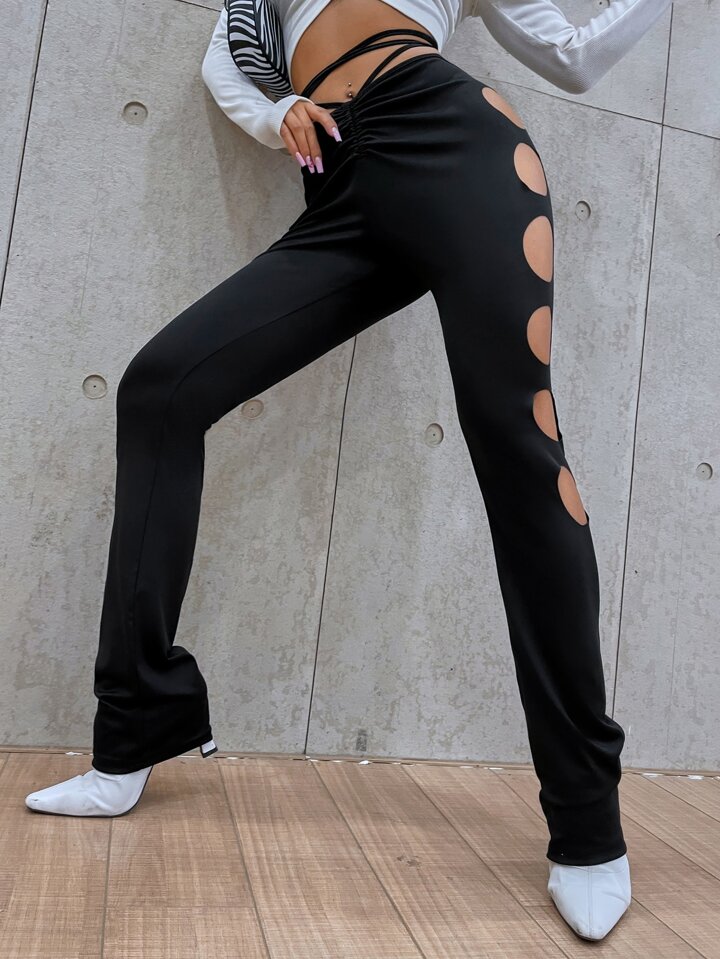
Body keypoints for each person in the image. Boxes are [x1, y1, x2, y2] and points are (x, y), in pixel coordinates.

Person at [26, 0, 680, 941]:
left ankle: (588, 826)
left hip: (454, 143)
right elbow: (226, 58)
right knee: (161, 390)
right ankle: (133, 733)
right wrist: (275, 113)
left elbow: (570, 56)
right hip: (339, 181)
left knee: (519, 451)